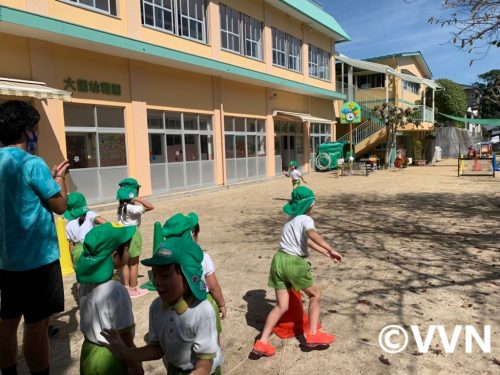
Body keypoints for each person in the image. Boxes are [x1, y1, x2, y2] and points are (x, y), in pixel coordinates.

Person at [0, 100, 69, 375]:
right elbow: (60, 206)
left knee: (7, 320)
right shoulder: (33, 164)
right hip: (38, 261)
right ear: (28, 131)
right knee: (36, 325)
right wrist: (59, 179)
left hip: (6, 261)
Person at [100, 235, 224, 375]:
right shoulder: (156, 307)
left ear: (188, 276)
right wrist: (127, 353)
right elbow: (157, 349)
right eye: (155, 275)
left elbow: (205, 363)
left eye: (165, 276)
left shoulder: (202, 311)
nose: (157, 282)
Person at [252, 186, 342, 357]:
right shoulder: (306, 220)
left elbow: (305, 241)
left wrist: (325, 253)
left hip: (278, 261)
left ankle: (262, 342)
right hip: (294, 263)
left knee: (281, 306)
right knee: (315, 295)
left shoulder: (291, 219)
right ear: (310, 204)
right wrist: (331, 248)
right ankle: (314, 335)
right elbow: (312, 235)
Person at [76, 223, 143, 374]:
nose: (128, 252)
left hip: (89, 352)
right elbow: (124, 335)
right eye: (126, 249)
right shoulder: (116, 290)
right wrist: (133, 364)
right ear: (115, 255)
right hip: (112, 358)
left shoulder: (85, 283)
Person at [162, 213, 226, 337]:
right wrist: (221, 303)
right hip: (203, 300)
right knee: (212, 336)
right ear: (194, 235)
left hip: (177, 304)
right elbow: (213, 286)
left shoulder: (166, 260)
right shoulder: (203, 257)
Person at [116, 181, 154, 298]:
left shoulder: (121, 207)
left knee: (125, 263)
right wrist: (138, 198)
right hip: (133, 234)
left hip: (122, 234)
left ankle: (126, 287)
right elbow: (151, 206)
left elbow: (145, 209)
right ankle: (133, 288)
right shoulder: (133, 207)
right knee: (134, 263)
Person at [64, 192, 107, 266]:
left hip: (78, 252)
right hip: (92, 248)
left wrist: (73, 260)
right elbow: (106, 224)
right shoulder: (90, 214)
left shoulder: (68, 225)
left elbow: (71, 246)